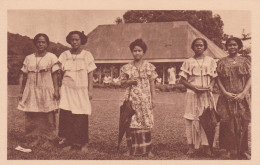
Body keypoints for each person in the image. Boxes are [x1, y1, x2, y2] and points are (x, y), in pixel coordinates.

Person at [17, 33, 60, 150]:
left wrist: (56, 90)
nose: (41, 44)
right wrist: (21, 91)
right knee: (32, 113)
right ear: (35, 43)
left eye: (43, 42)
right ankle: (33, 138)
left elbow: (55, 75)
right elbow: (23, 76)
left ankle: (49, 139)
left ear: (47, 44)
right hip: (31, 89)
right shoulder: (29, 58)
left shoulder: (52, 57)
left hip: (46, 87)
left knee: (47, 113)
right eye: (38, 42)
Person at [58, 31, 97, 152]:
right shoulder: (64, 55)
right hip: (67, 90)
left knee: (81, 115)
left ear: (81, 41)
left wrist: (90, 90)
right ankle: (68, 142)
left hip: (81, 90)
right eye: (72, 40)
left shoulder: (87, 55)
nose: (74, 42)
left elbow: (90, 73)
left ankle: (83, 143)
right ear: (69, 41)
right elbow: (59, 72)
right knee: (67, 115)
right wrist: (59, 87)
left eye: (77, 40)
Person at [179, 38, 217, 156]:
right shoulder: (188, 61)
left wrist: (211, 85)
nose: (199, 47)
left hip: (206, 95)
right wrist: (194, 88)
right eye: (196, 45)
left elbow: (215, 76)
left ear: (205, 47)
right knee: (190, 119)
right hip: (193, 94)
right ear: (193, 47)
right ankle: (191, 147)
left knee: (207, 119)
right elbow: (182, 79)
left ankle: (207, 147)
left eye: (201, 45)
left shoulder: (210, 61)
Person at [120, 39, 158, 157]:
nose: (137, 53)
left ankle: (148, 150)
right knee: (130, 123)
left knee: (145, 123)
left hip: (145, 99)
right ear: (131, 52)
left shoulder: (150, 67)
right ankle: (130, 149)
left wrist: (153, 99)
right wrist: (130, 81)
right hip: (131, 99)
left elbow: (152, 83)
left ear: (143, 52)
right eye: (134, 51)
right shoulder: (126, 68)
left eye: (139, 51)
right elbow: (122, 83)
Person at [216, 37, 251, 159]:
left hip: (241, 97)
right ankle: (227, 149)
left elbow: (250, 78)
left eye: (234, 45)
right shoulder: (221, 62)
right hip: (226, 97)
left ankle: (242, 150)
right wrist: (225, 93)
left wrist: (243, 93)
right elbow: (218, 79)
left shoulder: (245, 61)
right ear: (226, 47)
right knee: (226, 122)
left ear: (239, 47)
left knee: (243, 121)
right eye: (230, 45)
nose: (232, 47)